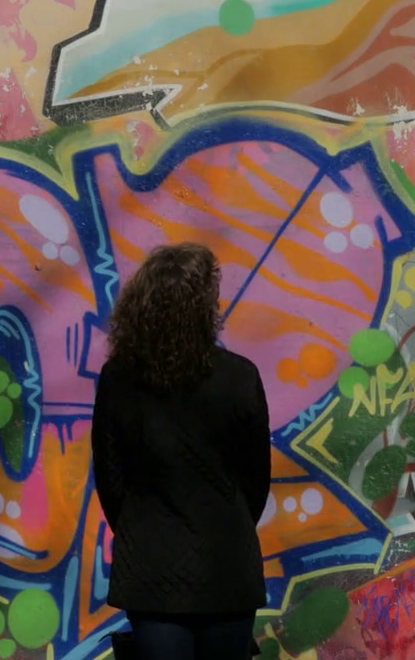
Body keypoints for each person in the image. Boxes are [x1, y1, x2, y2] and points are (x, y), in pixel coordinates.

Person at [92, 242, 271, 660]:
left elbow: (110, 480)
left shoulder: (119, 379)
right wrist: (228, 520)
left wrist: (145, 530)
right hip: (227, 563)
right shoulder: (239, 377)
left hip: (150, 568)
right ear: (205, 305)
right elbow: (255, 481)